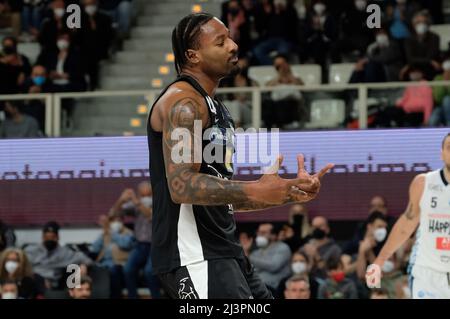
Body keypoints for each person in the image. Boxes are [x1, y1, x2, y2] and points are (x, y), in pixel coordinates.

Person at [147, 12, 333, 299]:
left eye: (231, 38)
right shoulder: (183, 103)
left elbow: (218, 195)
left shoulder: (216, 107)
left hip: (226, 252)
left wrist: (285, 193)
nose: (233, 46)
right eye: (221, 42)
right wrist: (255, 188)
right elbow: (181, 186)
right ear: (193, 55)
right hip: (194, 254)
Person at [367, 133, 450, 299]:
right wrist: (380, 261)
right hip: (427, 272)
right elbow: (407, 224)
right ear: (441, 153)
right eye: (449, 148)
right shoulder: (423, 183)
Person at [109, 182, 160, 299]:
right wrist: (121, 200)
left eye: (147, 195)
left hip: (156, 246)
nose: (145, 198)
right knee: (128, 269)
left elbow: (151, 216)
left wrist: (136, 201)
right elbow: (113, 213)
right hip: (140, 245)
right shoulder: (136, 205)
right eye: (142, 195)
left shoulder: (158, 203)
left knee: (149, 272)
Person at [24, 221, 93, 290]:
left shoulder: (64, 252)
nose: (50, 239)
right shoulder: (31, 250)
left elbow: (87, 260)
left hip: (52, 285)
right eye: (47, 237)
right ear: (43, 237)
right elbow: (21, 263)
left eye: (52, 237)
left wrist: (83, 265)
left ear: (57, 237)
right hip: (32, 280)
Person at [249, 223, 292, 294]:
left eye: (263, 232)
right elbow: (251, 270)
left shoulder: (283, 247)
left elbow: (273, 266)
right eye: (258, 232)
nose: (259, 235)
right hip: (255, 289)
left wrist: (250, 258)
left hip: (274, 290)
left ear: (274, 235)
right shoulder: (255, 252)